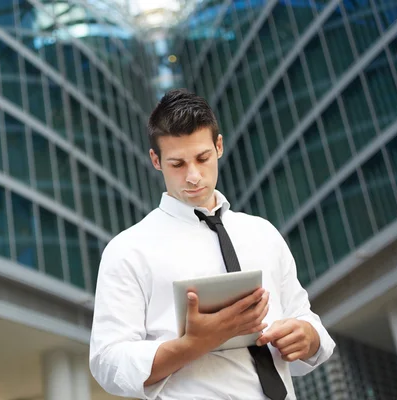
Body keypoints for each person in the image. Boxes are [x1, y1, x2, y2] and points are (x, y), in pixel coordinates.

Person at [89, 89, 335, 399]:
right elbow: (107, 361)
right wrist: (192, 345)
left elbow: (304, 316)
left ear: (218, 146)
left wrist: (308, 336)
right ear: (156, 160)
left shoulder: (263, 233)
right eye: (177, 164)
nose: (193, 176)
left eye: (202, 158)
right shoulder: (128, 250)